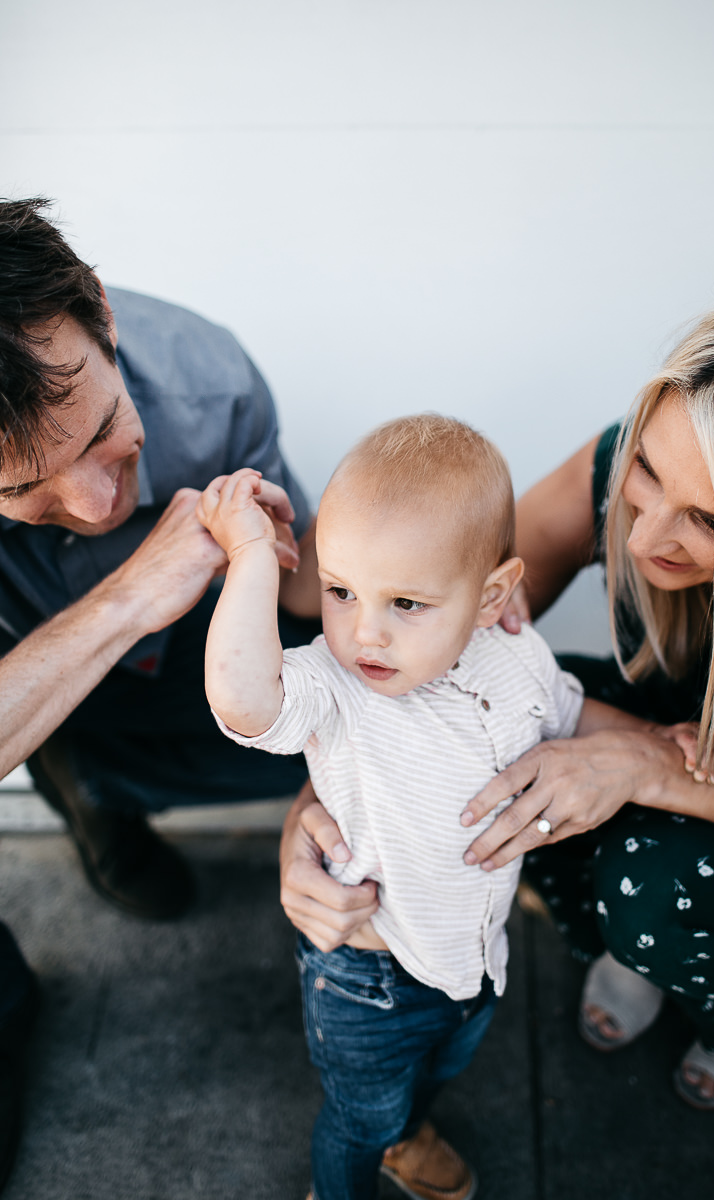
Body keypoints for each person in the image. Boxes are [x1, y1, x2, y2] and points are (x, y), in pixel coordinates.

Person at [279, 283, 714, 1112]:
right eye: (645, 472)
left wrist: (652, 765)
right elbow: (437, 627)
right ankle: (630, 950)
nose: (641, 535)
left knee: (663, 890)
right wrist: (327, 803)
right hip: (668, 732)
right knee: (513, 735)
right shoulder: (622, 466)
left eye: (706, 518)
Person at [198, 414, 646, 1200]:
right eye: (341, 591)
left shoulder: (517, 655)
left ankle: (408, 1133)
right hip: (367, 973)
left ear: (492, 597)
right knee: (356, 1118)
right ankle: (351, 1173)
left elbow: (572, 715)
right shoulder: (334, 685)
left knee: (443, 1068)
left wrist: (666, 743)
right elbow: (242, 700)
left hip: (473, 960)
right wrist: (249, 561)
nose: (364, 630)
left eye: (406, 603)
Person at [0, 196, 321, 1190]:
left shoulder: (209, 379)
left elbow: (314, 598)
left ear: (98, 312)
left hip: (193, 644)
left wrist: (291, 560)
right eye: (22, 492)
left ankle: (107, 767)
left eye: (101, 430)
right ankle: (90, 789)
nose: (99, 506)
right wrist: (128, 596)